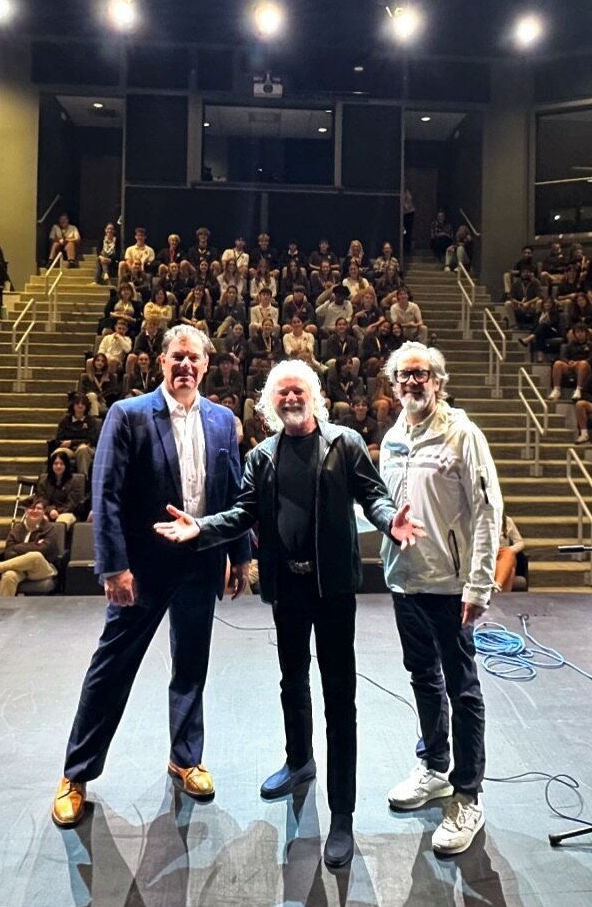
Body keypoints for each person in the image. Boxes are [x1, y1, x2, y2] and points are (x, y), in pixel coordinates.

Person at [155, 359, 420, 870]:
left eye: (298, 391)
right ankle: (299, 764)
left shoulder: (343, 444)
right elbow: (243, 513)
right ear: (270, 405)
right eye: (282, 394)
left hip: (335, 589)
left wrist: (391, 523)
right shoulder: (262, 456)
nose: (291, 399)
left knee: (340, 699)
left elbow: (375, 498)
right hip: (288, 587)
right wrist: (202, 528)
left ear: (314, 395)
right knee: (291, 683)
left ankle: (341, 815)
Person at [51, 325, 252, 831]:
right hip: (140, 570)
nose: (186, 366)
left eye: (194, 359)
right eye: (177, 357)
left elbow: (231, 496)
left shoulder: (224, 421)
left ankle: (185, 757)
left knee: (191, 667)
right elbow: (108, 493)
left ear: (206, 366)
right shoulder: (129, 415)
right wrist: (113, 565)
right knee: (112, 668)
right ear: (161, 362)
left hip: (201, 563)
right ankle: (76, 774)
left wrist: (238, 555)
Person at [378, 342, 503, 857]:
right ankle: (433, 767)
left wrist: (478, 585)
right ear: (394, 386)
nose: (413, 383)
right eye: (404, 377)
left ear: (438, 382)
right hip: (405, 583)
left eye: (422, 375)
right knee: (423, 679)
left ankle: (468, 793)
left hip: (451, 587)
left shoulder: (462, 435)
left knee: (462, 689)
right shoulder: (391, 439)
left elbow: (488, 510)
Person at [0, 496, 68, 595]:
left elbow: (44, 549)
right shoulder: (17, 529)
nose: (34, 511)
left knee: (35, 556)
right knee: (9, 576)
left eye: (38, 508)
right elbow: (8, 552)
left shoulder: (49, 529)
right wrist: (34, 545)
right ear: (26, 511)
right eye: (31, 508)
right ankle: (5, 608)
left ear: (43, 512)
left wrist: (18, 547)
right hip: (20, 569)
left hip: (42, 570)